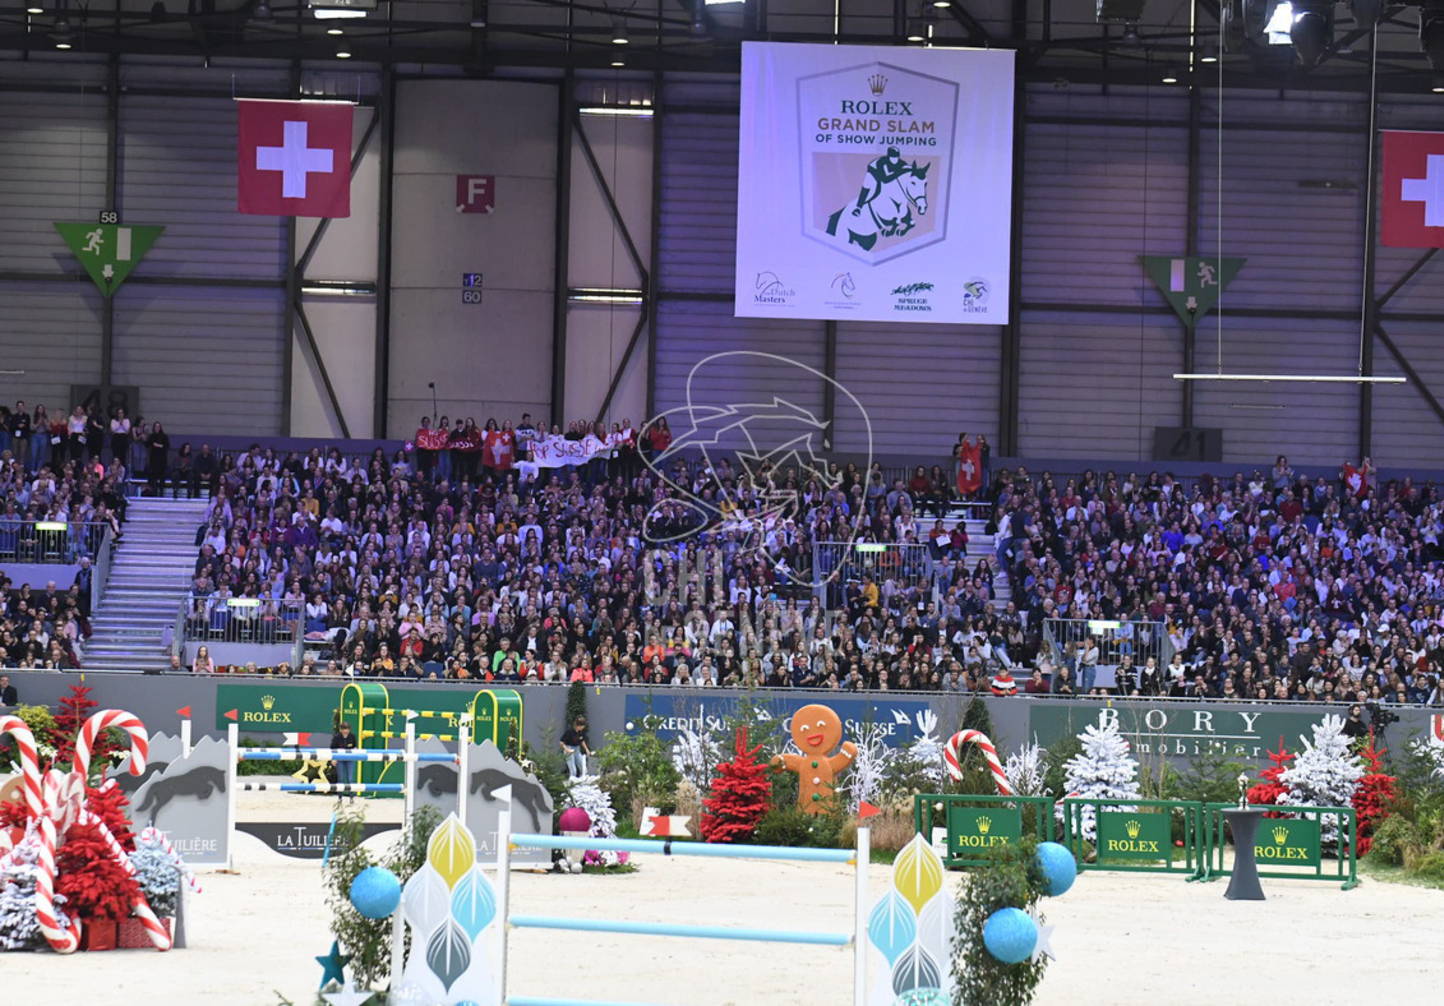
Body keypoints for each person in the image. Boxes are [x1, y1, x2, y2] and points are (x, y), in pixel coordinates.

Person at [330, 720, 358, 798]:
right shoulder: (336, 737)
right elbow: (332, 749)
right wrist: (333, 759)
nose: (346, 731)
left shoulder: (352, 736)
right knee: (341, 778)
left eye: (347, 729)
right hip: (340, 759)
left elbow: (355, 747)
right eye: (344, 729)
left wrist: (355, 752)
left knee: (350, 778)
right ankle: (340, 797)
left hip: (350, 758)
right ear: (341, 730)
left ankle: (352, 797)